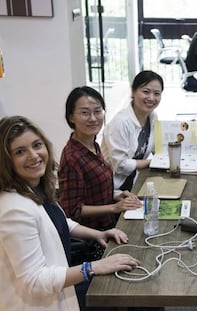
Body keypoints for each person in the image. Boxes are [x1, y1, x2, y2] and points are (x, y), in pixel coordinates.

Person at [0, 115, 140, 311]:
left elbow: (59, 222)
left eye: (37, 145)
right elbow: (33, 281)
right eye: (20, 152)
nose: (34, 155)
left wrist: (99, 234)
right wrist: (92, 267)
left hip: (58, 288)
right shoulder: (14, 210)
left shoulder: (35, 187)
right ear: (6, 161)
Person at [59, 86, 142, 234]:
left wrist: (116, 195)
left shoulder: (93, 144)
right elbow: (72, 210)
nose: (93, 118)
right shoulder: (72, 157)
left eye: (97, 111)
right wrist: (114, 207)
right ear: (71, 117)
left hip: (108, 223)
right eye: (85, 113)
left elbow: (90, 192)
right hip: (94, 235)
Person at [101, 70, 163, 191]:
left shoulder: (152, 117)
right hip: (115, 188)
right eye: (146, 92)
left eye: (157, 93)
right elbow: (120, 165)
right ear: (133, 92)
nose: (151, 98)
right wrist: (150, 162)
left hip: (135, 180)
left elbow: (158, 149)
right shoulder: (121, 122)